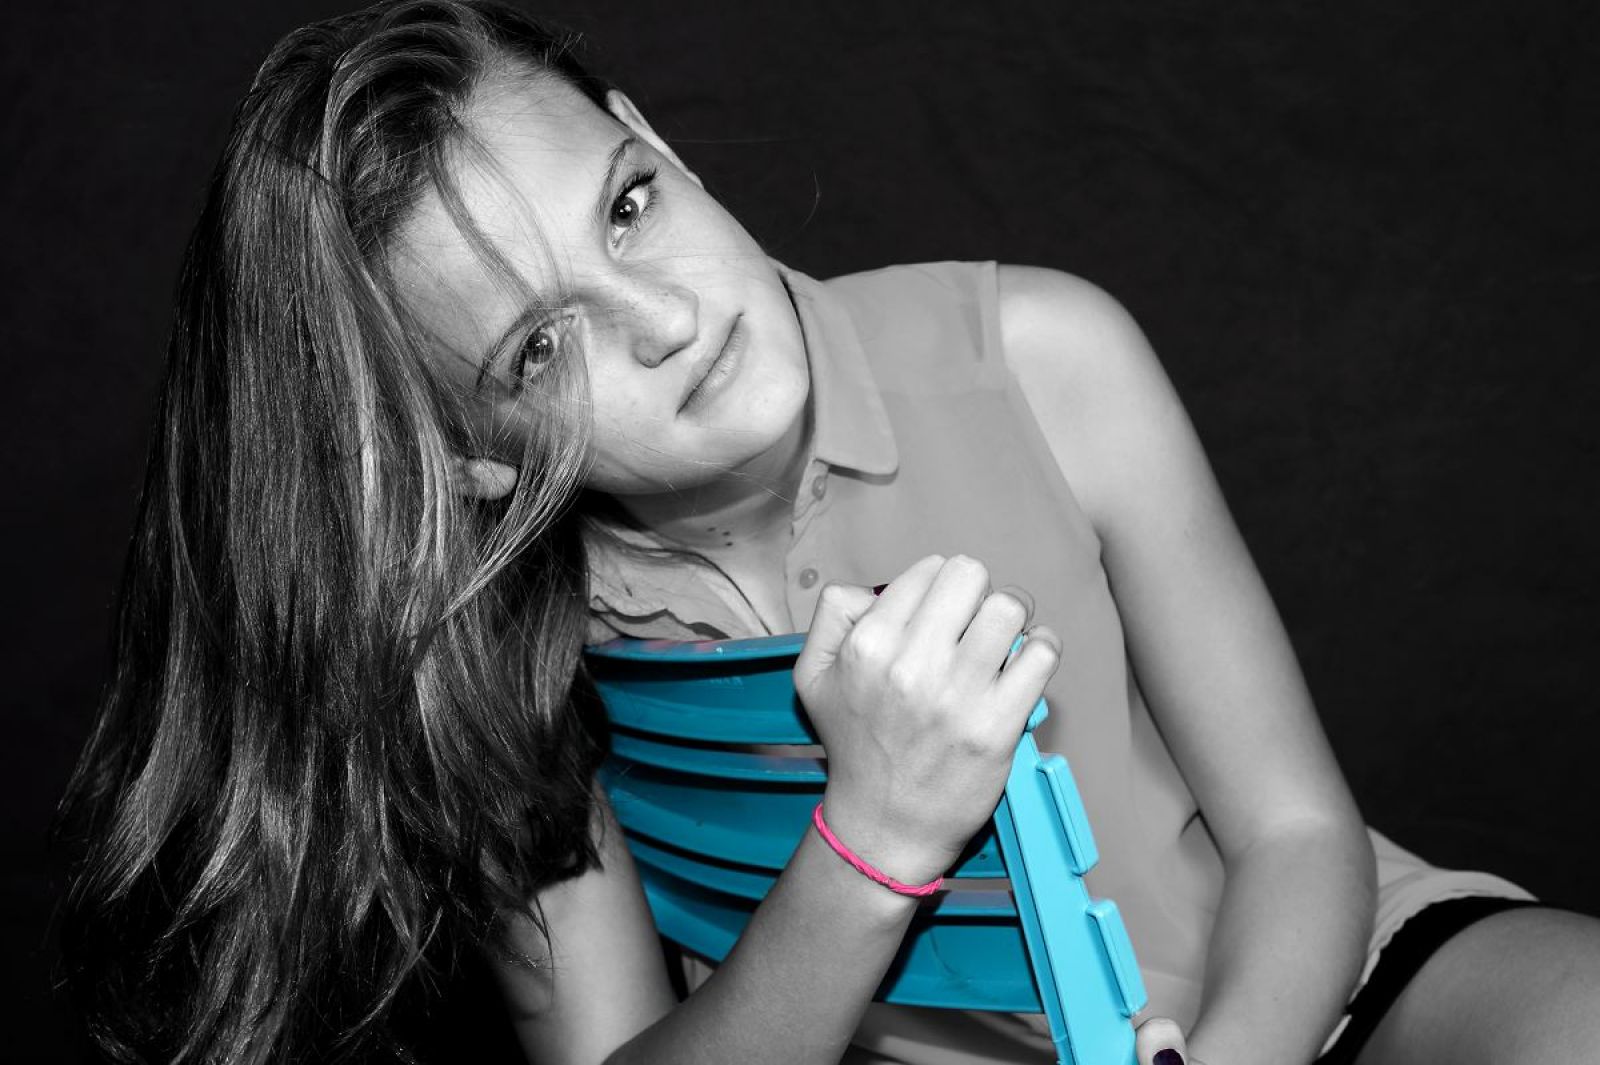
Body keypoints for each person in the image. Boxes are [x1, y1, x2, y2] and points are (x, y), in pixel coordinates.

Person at [59, 2, 1600, 1064]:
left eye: (628, 207)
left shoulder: (1040, 355)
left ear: (656, 140)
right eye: (540, 349)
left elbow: (1300, 836)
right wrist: (872, 840)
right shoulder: (498, 666)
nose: (665, 319)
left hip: (1321, 986)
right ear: (465, 460)